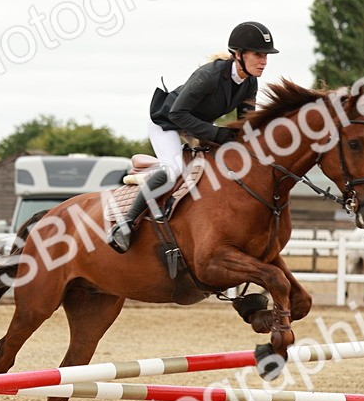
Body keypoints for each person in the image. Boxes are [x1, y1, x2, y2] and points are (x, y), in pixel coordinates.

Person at [108, 21, 278, 254]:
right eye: (259, 55)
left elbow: (247, 123)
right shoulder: (209, 75)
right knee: (174, 169)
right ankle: (126, 223)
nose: (264, 61)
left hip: (197, 126)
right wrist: (218, 133)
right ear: (238, 55)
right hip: (167, 122)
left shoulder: (250, 81)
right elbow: (177, 113)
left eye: (266, 55)